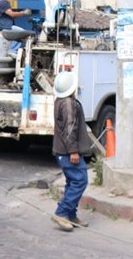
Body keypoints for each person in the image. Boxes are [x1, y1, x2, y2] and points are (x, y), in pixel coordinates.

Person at [51, 70, 93, 232]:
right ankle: (61, 212)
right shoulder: (68, 103)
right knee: (80, 180)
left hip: (62, 150)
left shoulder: (60, 100)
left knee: (72, 182)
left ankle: (70, 215)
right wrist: (73, 151)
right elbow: (70, 129)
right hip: (68, 152)